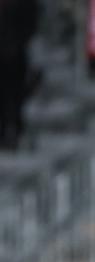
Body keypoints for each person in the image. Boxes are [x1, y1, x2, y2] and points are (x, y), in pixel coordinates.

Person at [0, 0, 38, 150]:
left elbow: (30, 25)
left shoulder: (24, 3)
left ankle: (15, 132)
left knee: (15, 96)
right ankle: (5, 133)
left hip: (15, 56)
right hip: (8, 54)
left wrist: (17, 44)